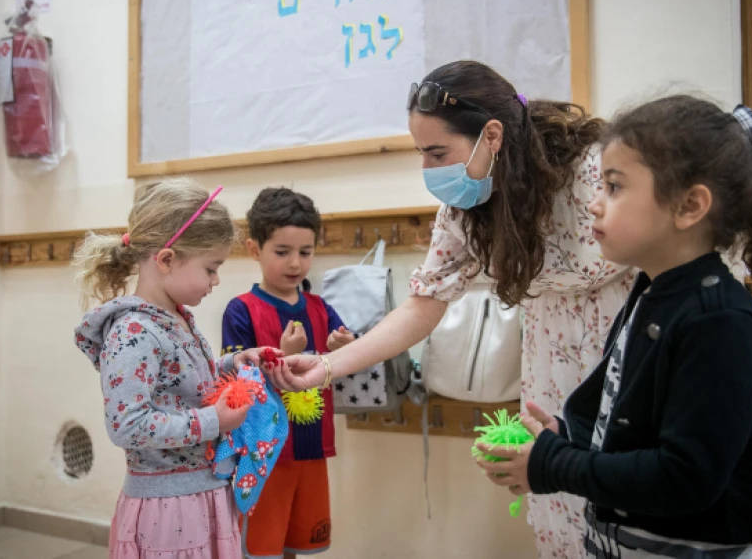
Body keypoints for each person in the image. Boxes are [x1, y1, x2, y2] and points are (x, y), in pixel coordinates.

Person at [269, 60, 634, 557]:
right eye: (421, 153)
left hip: (628, 343)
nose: (428, 169)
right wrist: (328, 366)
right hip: (552, 358)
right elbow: (423, 305)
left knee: (630, 500)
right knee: (563, 507)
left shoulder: (592, 172)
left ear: (492, 135)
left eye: (437, 151)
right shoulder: (465, 210)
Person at [477, 96, 752, 557]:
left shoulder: (718, 322)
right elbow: (626, 415)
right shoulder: (650, 292)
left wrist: (553, 464)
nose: (594, 205)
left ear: (689, 206)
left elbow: (683, 478)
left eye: (614, 188)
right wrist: (566, 434)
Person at [73, 179, 275, 559]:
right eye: (211, 268)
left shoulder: (176, 317)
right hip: (168, 510)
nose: (216, 280)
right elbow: (127, 425)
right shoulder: (133, 331)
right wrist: (213, 421)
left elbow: (181, 382)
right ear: (166, 260)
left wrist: (232, 362)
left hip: (202, 492)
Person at [221, 187, 354, 558]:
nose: (295, 263)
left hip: (312, 445)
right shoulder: (240, 310)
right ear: (254, 250)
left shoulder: (320, 307)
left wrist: (345, 345)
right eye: (282, 252)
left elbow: (347, 351)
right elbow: (236, 384)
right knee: (262, 546)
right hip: (264, 452)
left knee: (296, 542)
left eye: (305, 252)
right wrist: (282, 357)